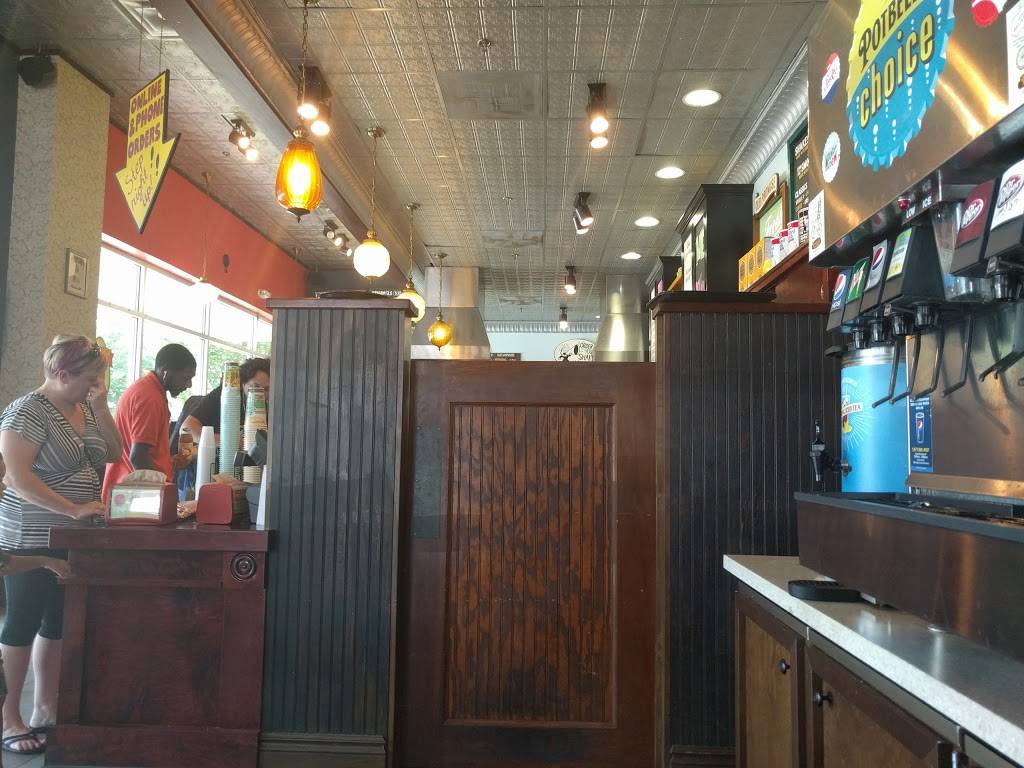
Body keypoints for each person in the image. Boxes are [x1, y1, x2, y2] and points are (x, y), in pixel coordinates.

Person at [0, 336, 121, 755]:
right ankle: (9, 717)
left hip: (74, 535)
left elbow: (113, 453)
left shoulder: (84, 406)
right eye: (90, 380)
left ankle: (45, 707)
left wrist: (101, 407)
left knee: (56, 621)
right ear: (62, 374)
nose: (94, 386)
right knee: (22, 622)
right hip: (31, 534)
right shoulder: (27, 411)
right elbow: (16, 477)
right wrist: (71, 509)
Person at [102, 344, 196, 502]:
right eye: (185, 378)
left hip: (127, 490)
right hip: (133, 496)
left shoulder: (146, 389)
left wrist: (169, 462)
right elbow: (138, 456)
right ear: (165, 373)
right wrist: (165, 494)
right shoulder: (150, 398)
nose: (189, 385)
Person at [180, 357, 269, 444]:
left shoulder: (270, 407)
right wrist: (229, 442)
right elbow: (186, 429)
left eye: (267, 389)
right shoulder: (227, 394)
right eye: (256, 387)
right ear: (243, 383)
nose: (261, 394)